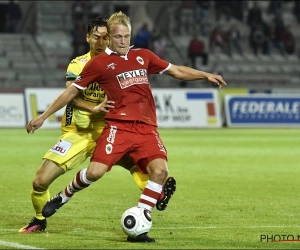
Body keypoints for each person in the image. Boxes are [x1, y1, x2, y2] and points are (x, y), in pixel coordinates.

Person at [26, 11, 226, 242]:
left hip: (147, 128)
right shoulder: (98, 63)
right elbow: (71, 92)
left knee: (160, 172)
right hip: (118, 127)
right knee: (94, 172)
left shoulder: (143, 55)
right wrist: (42, 117)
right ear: (110, 37)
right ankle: (64, 196)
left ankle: (140, 223)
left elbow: (176, 70)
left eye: (127, 36)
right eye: (118, 37)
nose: (123, 41)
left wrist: (205, 75)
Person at [19, 16, 176, 236]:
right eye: (97, 37)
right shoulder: (80, 63)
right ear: (88, 38)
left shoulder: (121, 62)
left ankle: (154, 198)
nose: (102, 42)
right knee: (40, 181)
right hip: (79, 133)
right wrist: (50, 115)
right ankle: (40, 218)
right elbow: (71, 94)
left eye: (106, 37)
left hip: (112, 130)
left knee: (147, 170)